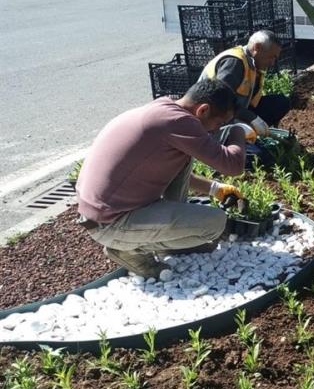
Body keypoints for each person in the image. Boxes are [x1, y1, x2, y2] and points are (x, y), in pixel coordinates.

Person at [75, 79, 252, 279]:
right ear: (202, 110)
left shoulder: (164, 109)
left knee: (183, 157)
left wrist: (214, 188)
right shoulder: (179, 122)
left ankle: (168, 240)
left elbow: (172, 170)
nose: (215, 130)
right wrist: (238, 131)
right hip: (110, 224)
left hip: (103, 213)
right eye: (219, 123)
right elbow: (233, 166)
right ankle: (127, 250)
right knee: (215, 223)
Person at [199, 30, 290, 140]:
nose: (272, 63)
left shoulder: (252, 64)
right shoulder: (234, 63)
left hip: (237, 111)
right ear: (257, 47)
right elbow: (220, 100)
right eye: (271, 57)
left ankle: (254, 135)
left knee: (280, 103)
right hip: (215, 117)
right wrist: (251, 118)